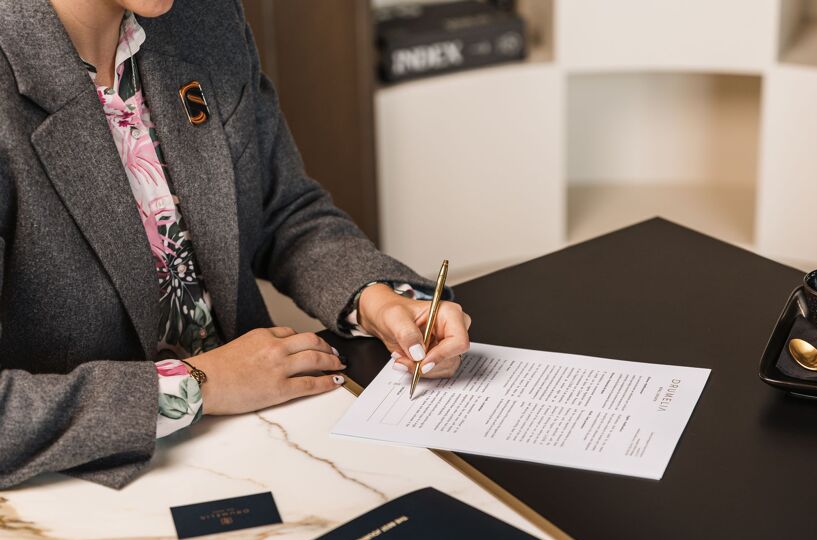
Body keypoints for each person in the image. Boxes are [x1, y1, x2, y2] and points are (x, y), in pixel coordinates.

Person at [0, 0, 471, 489]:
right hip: (79, 489)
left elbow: (280, 207)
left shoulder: (206, 19)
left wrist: (377, 298)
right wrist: (200, 385)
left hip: (266, 438)